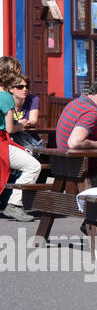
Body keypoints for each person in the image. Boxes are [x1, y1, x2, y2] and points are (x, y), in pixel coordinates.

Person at [0, 74, 43, 221]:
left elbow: (33, 121)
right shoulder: (6, 98)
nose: (25, 89)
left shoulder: (32, 99)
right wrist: (19, 125)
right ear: (10, 88)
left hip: (19, 141)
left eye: (26, 86)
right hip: (5, 141)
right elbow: (10, 128)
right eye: (20, 86)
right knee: (33, 166)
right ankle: (14, 204)